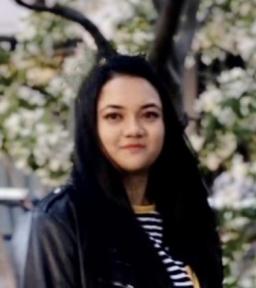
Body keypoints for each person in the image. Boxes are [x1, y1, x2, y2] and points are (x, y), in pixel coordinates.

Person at [20, 55, 223, 288]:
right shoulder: (62, 220)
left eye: (149, 115)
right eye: (114, 116)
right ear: (92, 127)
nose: (134, 129)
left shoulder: (188, 215)